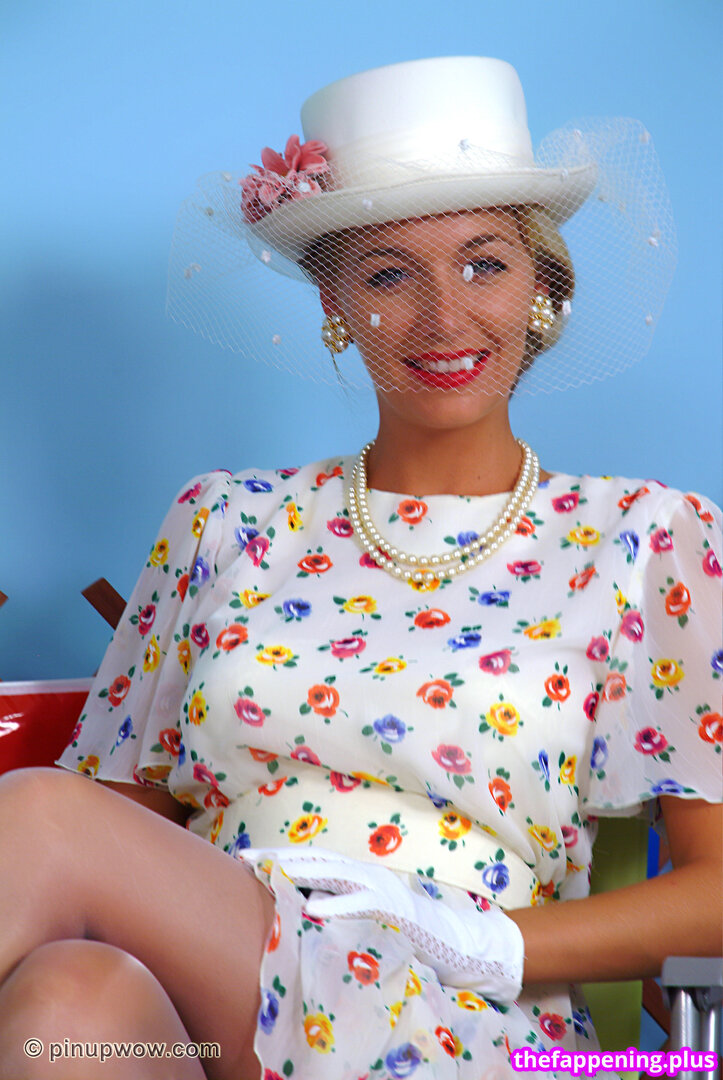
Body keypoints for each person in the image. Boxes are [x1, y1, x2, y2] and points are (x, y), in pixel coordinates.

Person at [0, 56, 720, 1080]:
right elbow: (116, 835)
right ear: (333, 299)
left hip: (460, 1016)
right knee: (68, 1002)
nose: (443, 317)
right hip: (214, 1002)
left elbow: (716, 890)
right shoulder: (224, 521)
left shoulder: (646, 537)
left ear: (541, 289)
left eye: (483, 264)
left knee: (37, 815)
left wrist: (485, 938)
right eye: (387, 274)